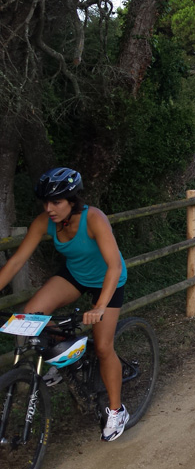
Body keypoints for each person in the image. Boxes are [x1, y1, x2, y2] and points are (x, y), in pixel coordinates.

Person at [0, 167, 129, 441]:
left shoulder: (93, 219)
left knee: (104, 347)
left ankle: (117, 411)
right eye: (45, 202)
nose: (49, 208)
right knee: (29, 318)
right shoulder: (44, 222)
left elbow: (114, 266)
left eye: (56, 202)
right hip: (76, 275)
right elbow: (15, 262)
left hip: (108, 280)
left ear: (73, 200)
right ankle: (66, 355)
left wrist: (100, 307)